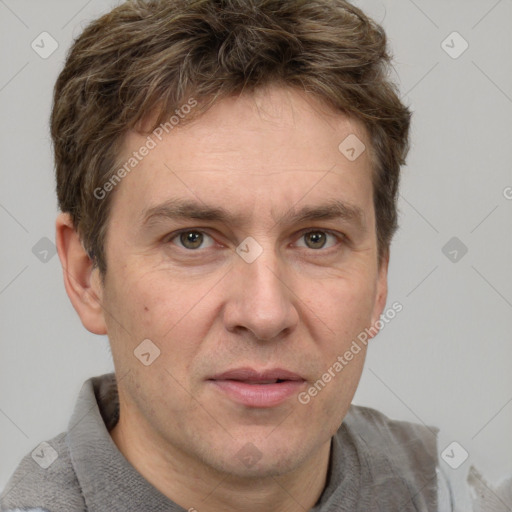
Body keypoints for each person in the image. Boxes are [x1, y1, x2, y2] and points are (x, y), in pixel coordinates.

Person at [1, 1, 510, 511]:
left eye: (317, 239)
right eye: (193, 239)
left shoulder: (450, 490)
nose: (266, 313)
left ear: (380, 278)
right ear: (87, 274)